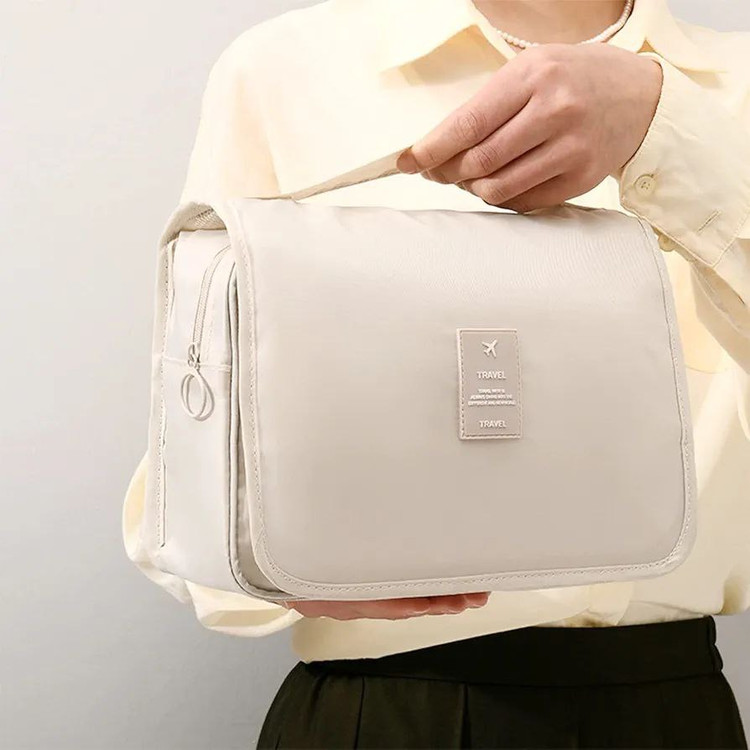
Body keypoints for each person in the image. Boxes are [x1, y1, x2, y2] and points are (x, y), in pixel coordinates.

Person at [123, 0, 750, 746]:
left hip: (676, 710)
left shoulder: (735, 83)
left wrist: (662, 128)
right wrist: (272, 571)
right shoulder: (286, 68)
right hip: (381, 710)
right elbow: (191, 448)